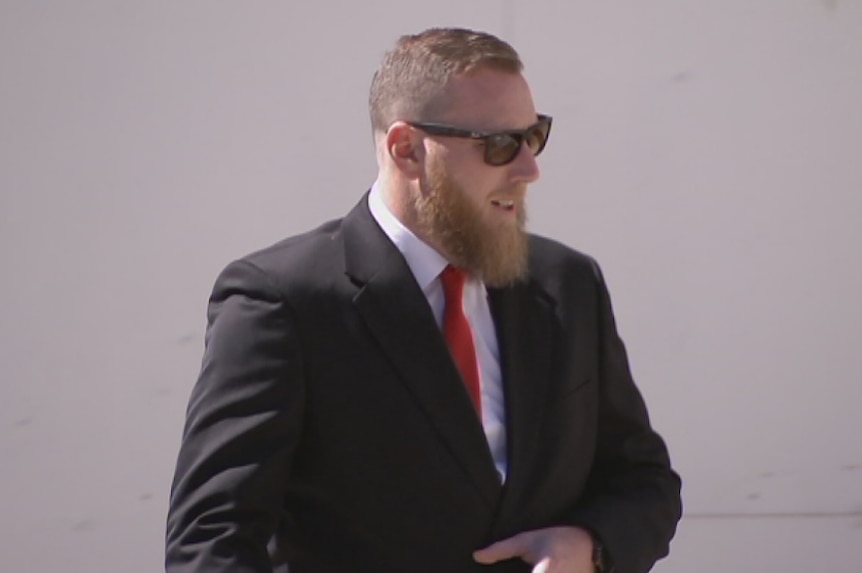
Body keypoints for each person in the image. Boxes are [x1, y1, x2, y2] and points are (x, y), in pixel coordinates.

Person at [166, 27, 682, 573]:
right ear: (407, 149)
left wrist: (590, 545)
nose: (529, 169)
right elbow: (213, 539)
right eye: (499, 145)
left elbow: (642, 480)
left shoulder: (567, 283)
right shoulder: (282, 301)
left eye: (534, 136)